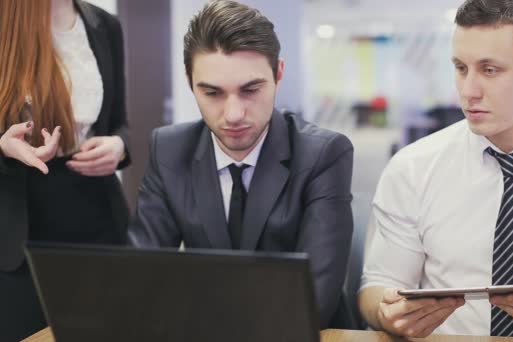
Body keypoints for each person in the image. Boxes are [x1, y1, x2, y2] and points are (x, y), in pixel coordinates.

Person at [358, 0, 513, 340]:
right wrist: (387, 314)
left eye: (490, 70)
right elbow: (378, 288)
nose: (468, 91)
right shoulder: (413, 167)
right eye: (461, 68)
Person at [127, 0, 354, 329]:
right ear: (191, 82)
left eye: (250, 90)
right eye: (212, 93)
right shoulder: (168, 150)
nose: (233, 115)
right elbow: (140, 277)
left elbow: (314, 298)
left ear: (278, 74)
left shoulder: (323, 154)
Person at [0, 0, 130, 340]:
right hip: (19, 235)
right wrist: (3, 146)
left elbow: (120, 122)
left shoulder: (105, 25)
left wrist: (119, 147)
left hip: (100, 224)